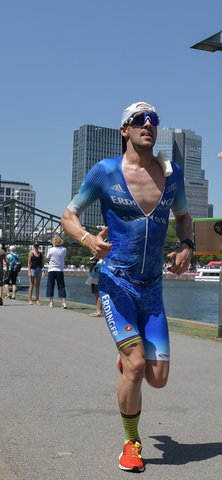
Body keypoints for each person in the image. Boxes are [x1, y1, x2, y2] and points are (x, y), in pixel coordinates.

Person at [61, 101, 193, 473]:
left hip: (153, 290)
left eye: (153, 119)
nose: (147, 124)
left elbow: (183, 217)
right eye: (139, 120)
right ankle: (131, 442)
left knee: (158, 379)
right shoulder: (104, 173)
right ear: (125, 130)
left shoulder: (172, 174)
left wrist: (186, 246)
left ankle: (127, 356)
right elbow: (68, 216)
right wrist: (88, 240)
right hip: (116, 283)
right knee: (136, 367)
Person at [46, 235, 68, 308]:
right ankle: (64, 302)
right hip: (60, 270)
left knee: (51, 286)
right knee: (61, 286)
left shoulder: (50, 250)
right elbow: (63, 257)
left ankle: (51, 302)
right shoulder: (64, 249)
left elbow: (47, 258)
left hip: (52, 269)